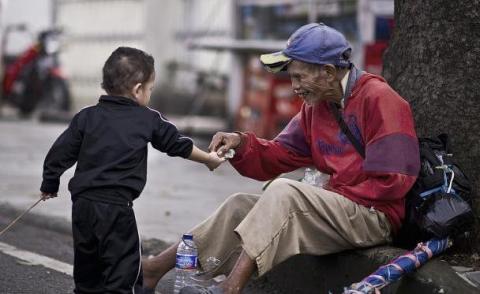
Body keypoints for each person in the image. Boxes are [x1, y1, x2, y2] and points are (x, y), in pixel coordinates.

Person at [142, 23, 420, 294]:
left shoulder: (379, 99)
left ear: (328, 71)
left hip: (374, 217)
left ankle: (230, 288)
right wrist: (241, 143)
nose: (295, 86)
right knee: (239, 205)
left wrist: (327, 192)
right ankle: (154, 269)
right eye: (292, 77)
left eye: (300, 77)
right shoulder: (317, 107)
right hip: (340, 210)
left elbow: (395, 179)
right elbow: (279, 154)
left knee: (284, 192)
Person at [39, 46, 225, 294]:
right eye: (149, 89)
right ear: (138, 90)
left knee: (87, 269)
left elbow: (59, 154)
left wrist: (49, 184)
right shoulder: (148, 119)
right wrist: (209, 159)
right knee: (124, 270)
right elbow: (177, 144)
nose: (149, 94)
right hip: (116, 210)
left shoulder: (86, 117)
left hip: (82, 207)